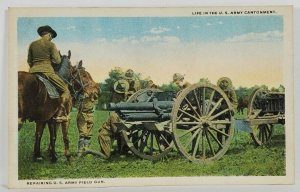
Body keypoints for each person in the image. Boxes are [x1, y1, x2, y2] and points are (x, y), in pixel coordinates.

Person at [27, 25, 70, 121]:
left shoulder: (32, 44)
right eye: (52, 37)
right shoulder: (51, 45)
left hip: (32, 71)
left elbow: (29, 61)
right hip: (47, 72)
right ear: (49, 35)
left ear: (42, 34)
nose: (51, 38)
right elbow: (58, 61)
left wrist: (34, 68)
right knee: (66, 90)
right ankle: (60, 113)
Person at [97, 69, 141, 159]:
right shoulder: (121, 85)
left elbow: (138, 96)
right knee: (120, 130)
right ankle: (122, 150)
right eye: (127, 78)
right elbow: (116, 99)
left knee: (132, 131)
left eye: (129, 79)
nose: (128, 80)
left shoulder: (136, 84)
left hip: (132, 109)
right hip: (121, 110)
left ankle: (133, 150)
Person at [76, 90, 99, 157]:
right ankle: (80, 151)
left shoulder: (94, 93)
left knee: (89, 134)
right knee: (83, 134)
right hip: (82, 114)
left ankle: (87, 150)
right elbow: (77, 103)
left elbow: (96, 99)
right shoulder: (81, 93)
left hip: (90, 114)